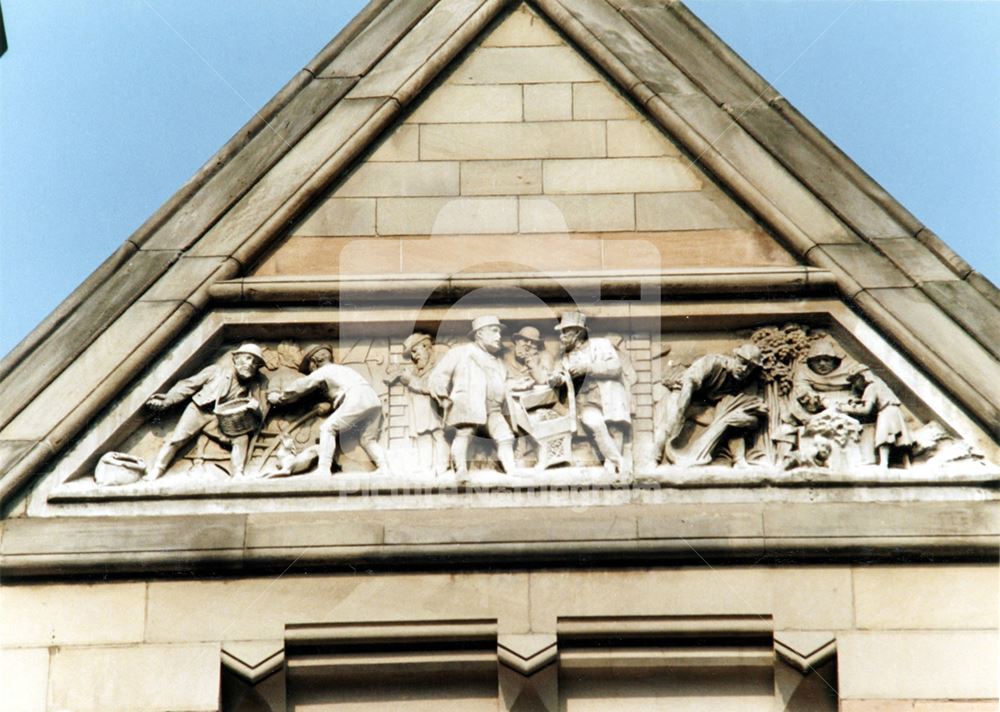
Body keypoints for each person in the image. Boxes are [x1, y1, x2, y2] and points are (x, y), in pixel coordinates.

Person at [144, 343, 269, 480]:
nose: (251, 364)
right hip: (198, 410)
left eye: (255, 362)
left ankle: (238, 473)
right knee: (177, 440)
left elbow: (260, 408)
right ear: (237, 358)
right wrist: (166, 400)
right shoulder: (215, 371)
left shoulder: (253, 385)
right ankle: (156, 470)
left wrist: (254, 406)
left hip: (222, 419)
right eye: (248, 358)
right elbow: (187, 386)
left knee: (241, 439)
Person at [267, 344, 390, 475]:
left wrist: (281, 397)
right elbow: (339, 393)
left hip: (356, 398)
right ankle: (384, 468)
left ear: (314, 362)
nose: (310, 370)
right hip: (373, 400)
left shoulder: (324, 370)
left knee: (327, 428)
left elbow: (302, 385)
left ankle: (323, 469)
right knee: (368, 440)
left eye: (309, 366)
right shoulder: (342, 370)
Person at [429, 315, 517, 478]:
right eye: (494, 331)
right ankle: (461, 470)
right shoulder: (461, 352)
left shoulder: (498, 362)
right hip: (468, 404)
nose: (499, 337)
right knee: (465, 433)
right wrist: (442, 396)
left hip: (494, 409)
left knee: (506, 437)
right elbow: (438, 376)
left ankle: (512, 471)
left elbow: (506, 384)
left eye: (499, 332)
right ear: (480, 334)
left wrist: (519, 386)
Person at [548, 312, 631, 475]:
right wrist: (557, 379)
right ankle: (620, 462)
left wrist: (587, 368)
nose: (561, 337)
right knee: (595, 423)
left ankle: (612, 469)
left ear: (578, 332)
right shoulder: (566, 357)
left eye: (565, 332)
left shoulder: (601, 345)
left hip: (609, 397)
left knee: (615, 431)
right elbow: (561, 376)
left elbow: (615, 368)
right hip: (586, 402)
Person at [660, 343, 767, 466]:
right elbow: (689, 385)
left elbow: (751, 409)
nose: (744, 369)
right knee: (670, 422)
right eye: (743, 362)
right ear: (735, 356)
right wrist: (680, 413)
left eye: (750, 368)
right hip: (683, 396)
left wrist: (746, 416)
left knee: (731, 422)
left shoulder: (744, 381)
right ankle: (654, 460)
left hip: (705, 407)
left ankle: (739, 461)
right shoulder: (712, 362)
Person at [386, 332, 448, 476]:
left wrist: (411, 380)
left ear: (426, 347)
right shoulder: (417, 369)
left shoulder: (439, 364)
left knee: (438, 435)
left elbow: (433, 387)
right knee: (423, 436)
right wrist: (398, 374)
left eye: (415, 351)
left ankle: (442, 464)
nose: (414, 357)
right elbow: (410, 381)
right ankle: (425, 465)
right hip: (419, 411)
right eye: (411, 354)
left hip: (434, 410)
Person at [839, 368, 912, 469]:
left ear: (863, 377)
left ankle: (884, 463)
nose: (855, 385)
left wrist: (846, 408)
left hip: (886, 413)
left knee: (883, 438)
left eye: (855, 381)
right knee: (900, 439)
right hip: (896, 412)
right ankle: (907, 464)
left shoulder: (871, 387)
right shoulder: (881, 385)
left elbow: (867, 410)